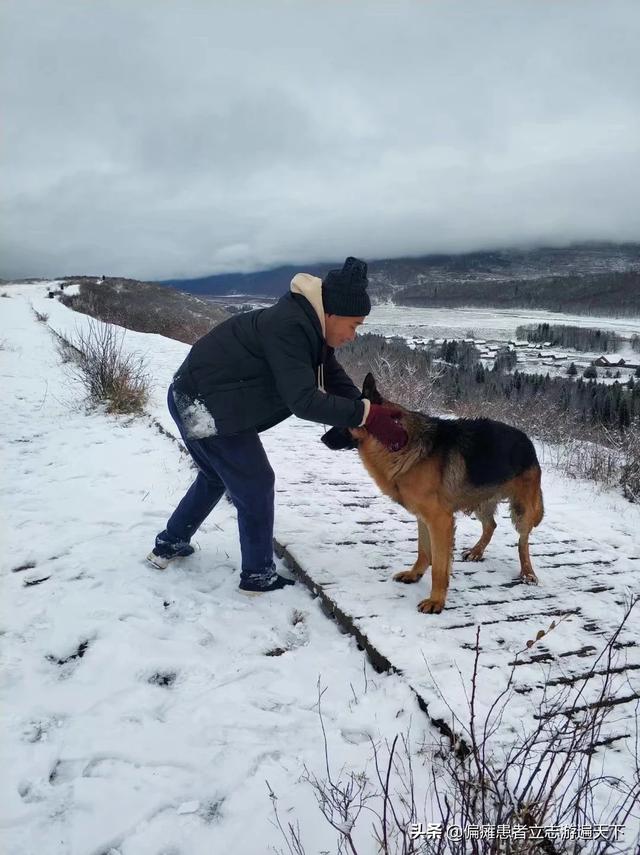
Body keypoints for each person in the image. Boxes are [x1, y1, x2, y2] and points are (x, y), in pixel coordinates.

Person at [147, 256, 408, 593]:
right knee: (255, 482)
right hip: (204, 404)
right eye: (354, 325)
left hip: (195, 396)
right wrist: (367, 416)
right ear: (332, 314)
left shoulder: (309, 329)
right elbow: (303, 400)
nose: (353, 335)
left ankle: (169, 543)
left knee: (215, 476)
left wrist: (366, 409)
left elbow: (332, 377)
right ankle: (257, 575)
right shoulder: (290, 327)